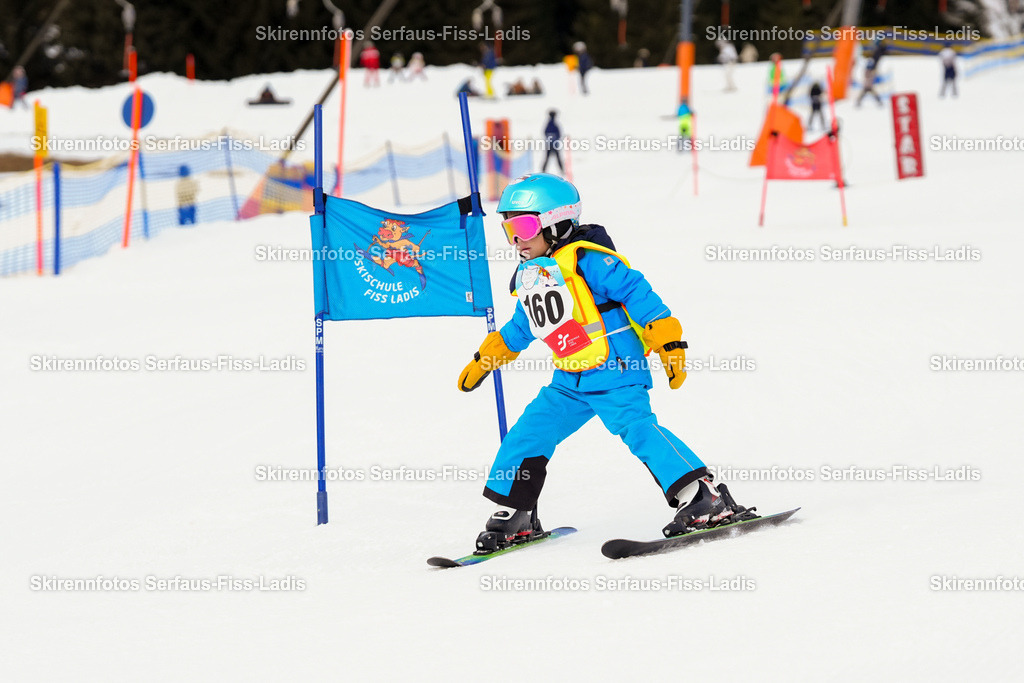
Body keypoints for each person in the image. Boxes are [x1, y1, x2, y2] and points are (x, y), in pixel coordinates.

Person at [457, 173, 751, 551]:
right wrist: (488, 356)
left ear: (558, 223)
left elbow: (636, 290)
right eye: (508, 229)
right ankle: (517, 511)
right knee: (528, 433)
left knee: (638, 429)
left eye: (525, 226)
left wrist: (667, 339)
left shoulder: (588, 261)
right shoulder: (534, 275)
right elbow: (522, 325)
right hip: (569, 380)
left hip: (616, 372)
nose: (516, 240)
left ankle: (702, 496)